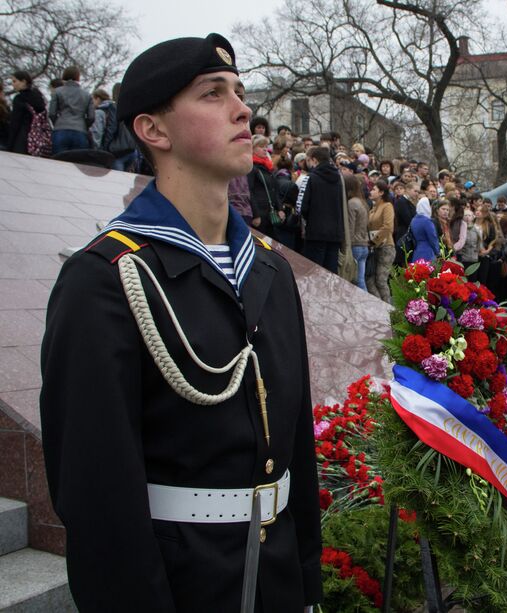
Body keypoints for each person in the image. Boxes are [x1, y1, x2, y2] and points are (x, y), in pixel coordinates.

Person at [39, 33, 321, 613]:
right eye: (212, 94)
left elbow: (295, 448)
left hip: (277, 575)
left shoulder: (270, 267)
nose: (243, 109)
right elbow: (96, 495)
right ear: (154, 131)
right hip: (185, 579)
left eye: (239, 92)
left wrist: (307, 584)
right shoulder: (105, 280)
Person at [297, 145, 345, 273]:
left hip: (315, 232)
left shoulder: (311, 178)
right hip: (335, 233)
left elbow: (302, 207)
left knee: (314, 272)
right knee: (330, 275)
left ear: (314, 160)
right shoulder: (339, 178)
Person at [48, 65, 94, 154]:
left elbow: (52, 113)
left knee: (58, 161)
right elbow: (91, 117)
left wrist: (57, 122)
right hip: (80, 131)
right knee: (77, 163)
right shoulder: (87, 95)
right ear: (78, 77)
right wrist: (84, 125)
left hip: (60, 129)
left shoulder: (57, 92)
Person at [248, 134, 283, 239]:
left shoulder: (267, 166)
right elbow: (249, 191)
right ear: (252, 149)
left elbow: (274, 189)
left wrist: (280, 208)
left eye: (266, 146)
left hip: (270, 214)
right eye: (261, 147)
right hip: (260, 214)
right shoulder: (251, 167)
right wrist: (256, 215)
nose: (265, 149)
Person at [366, 178, 396, 302]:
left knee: (381, 280)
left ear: (381, 192)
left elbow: (388, 226)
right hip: (374, 248)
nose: (371, 192)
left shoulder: (387, 206)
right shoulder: (372, 209)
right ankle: (379, 306)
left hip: (386, 247)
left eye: (374, 189)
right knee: (371, 280)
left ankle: (388, 310)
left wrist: (374, 240)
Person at [7, 70, 46, 155]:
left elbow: (15, 121)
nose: (13, 84)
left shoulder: (19, 99)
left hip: (21, 137)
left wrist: (9, 143)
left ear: (23, 81)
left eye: (14, 81)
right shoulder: (38, 97)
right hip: (36, 139)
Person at [345, 174, 370, 290]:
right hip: (364, 244)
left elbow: (350, 227)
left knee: (354, 281)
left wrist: (346, 246)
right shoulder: (362, 202)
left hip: (355, 245)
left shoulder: (351, 203)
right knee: (361, 279)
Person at [411, 196, 441, 262]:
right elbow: (433, 237)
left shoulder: (414, 220)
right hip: (428, 251)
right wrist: (438, 252)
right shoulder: (427, 221)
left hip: (417, 250)